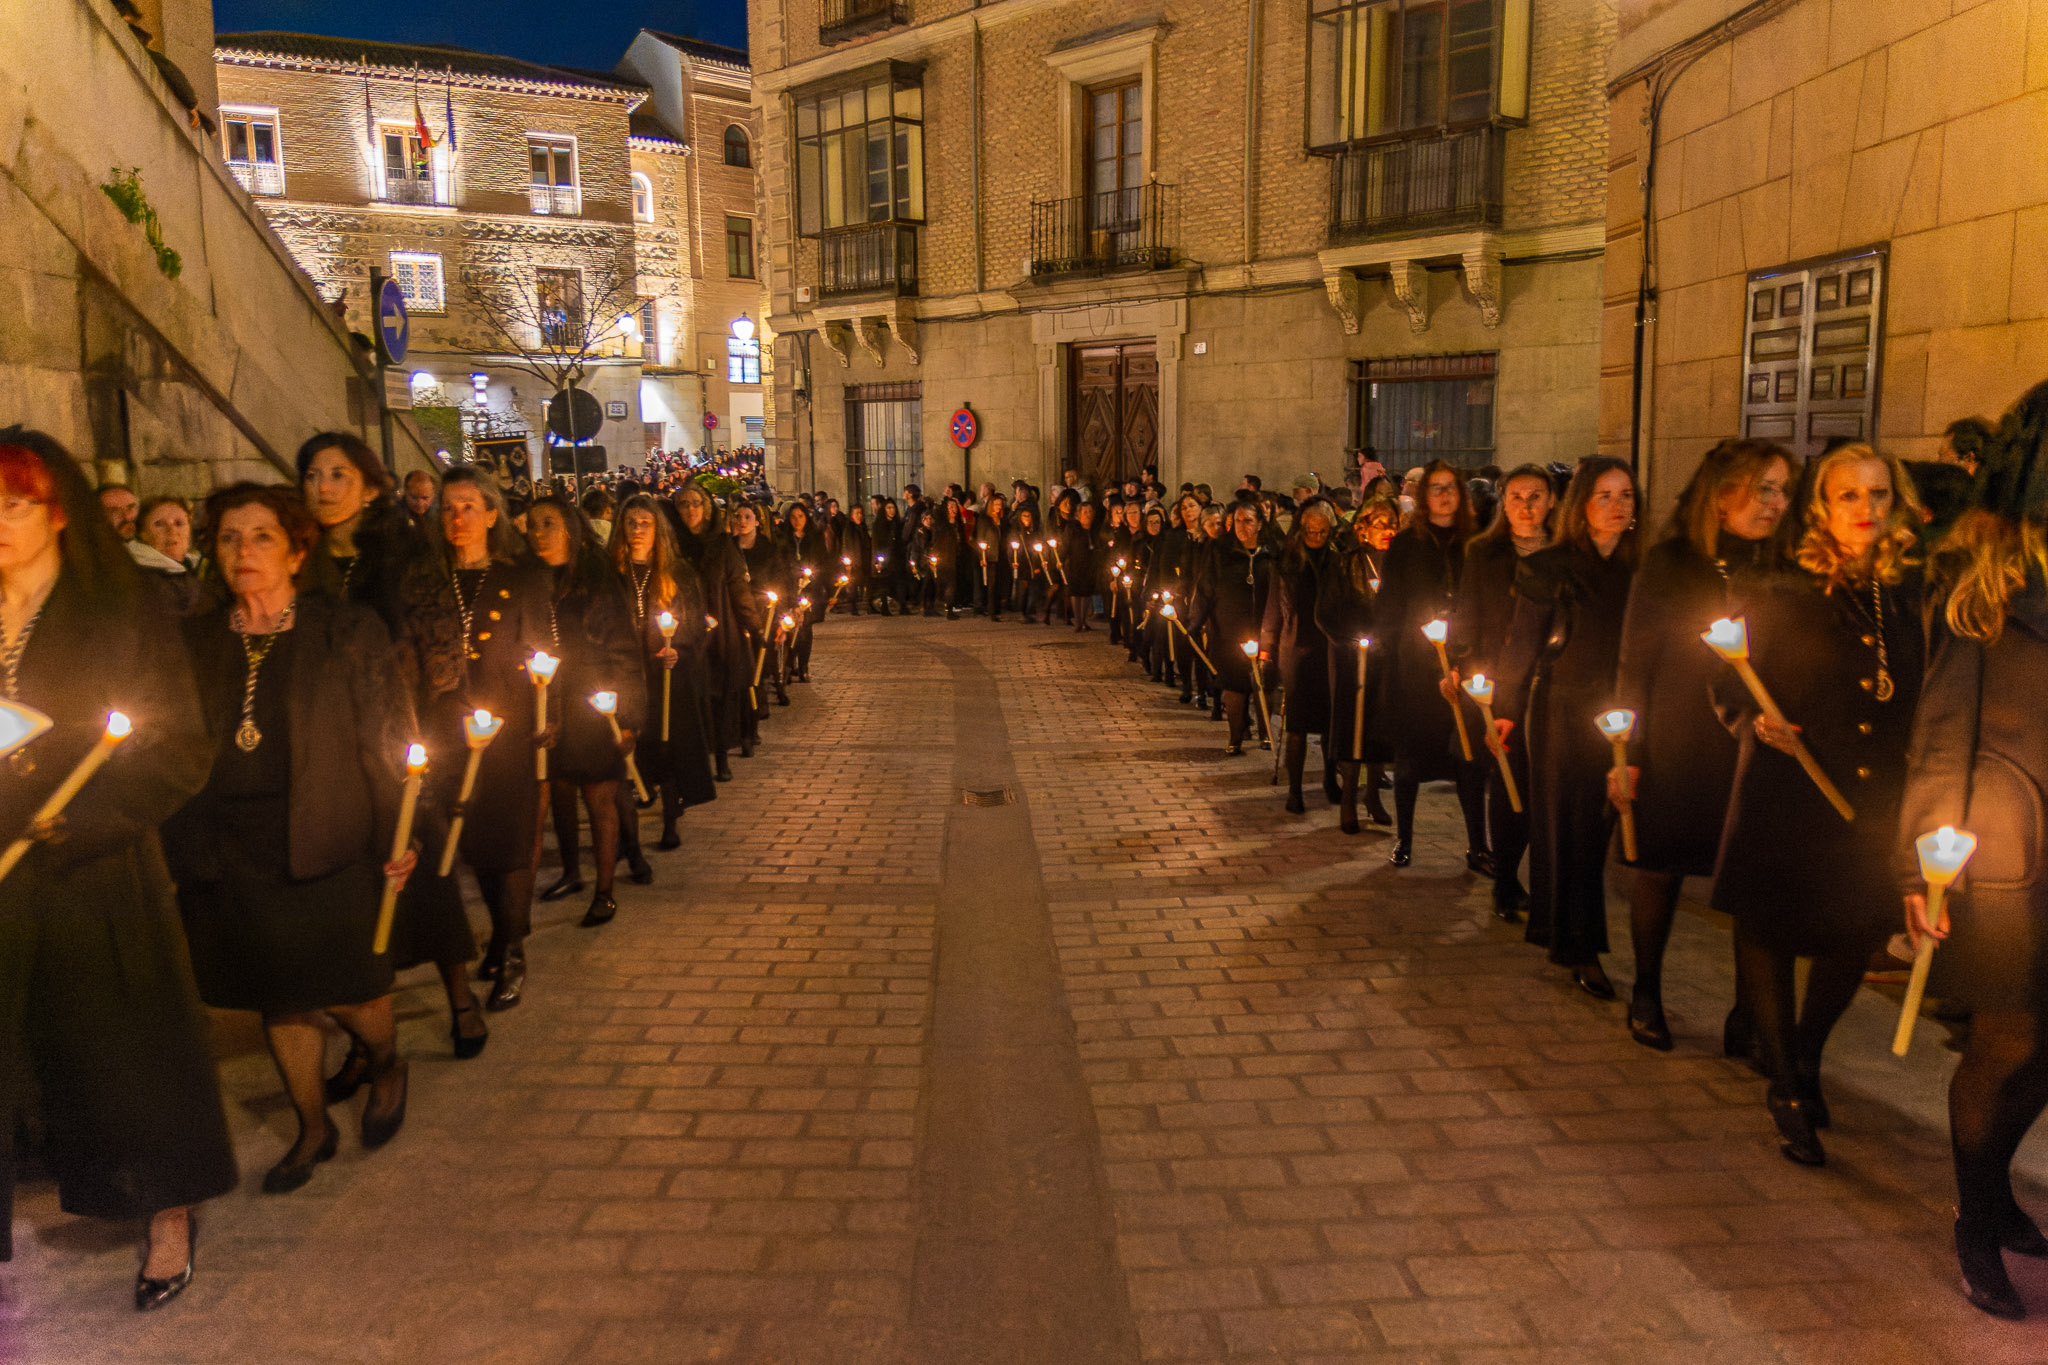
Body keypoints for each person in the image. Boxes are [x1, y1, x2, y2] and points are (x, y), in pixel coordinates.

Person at [0, 428, 233, 1311]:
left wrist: (81, 819)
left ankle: (166, 1207)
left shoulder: (117, 609)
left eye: (14, 503)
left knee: (125, 1049)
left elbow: (178, 743)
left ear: (58, 511)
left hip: (91, 862)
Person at [167, 483, 418, 1195]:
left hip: (325, 838)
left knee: (352, 987)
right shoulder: (199, 639)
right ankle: (312, 1125)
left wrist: (401, 832)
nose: (242, 551)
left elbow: (387, 735)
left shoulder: (344, 628)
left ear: (297, 550)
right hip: (232, 847)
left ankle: (385, 1060)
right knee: (279, 993)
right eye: (227, 538)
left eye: (262, 537)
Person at [1713, 442, 1925, 1167]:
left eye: (1878, 494)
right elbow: (1728, 681)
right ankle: (1785, 1085)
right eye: (1849, 495)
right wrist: (1752, 720)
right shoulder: (1778, 585)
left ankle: (1805, 1053)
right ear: (1822, 508)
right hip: (1787, 791)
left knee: (1853, 935)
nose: (1866, 508)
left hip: (1869, 797)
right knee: (1769, 930)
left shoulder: (1907, 591)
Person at [1899, 382, 2048, 1318]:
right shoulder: (1985, 585)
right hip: (2007, 851)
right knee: (2009, 1038)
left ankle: (1995, 1191)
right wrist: (1923, 869)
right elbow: (1942, 734)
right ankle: (1977, 1216)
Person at [298, 433, 484, 1060]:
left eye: (337, 475)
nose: (323, 488)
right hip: (328, 740)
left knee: (422, 874)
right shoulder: (302, 558)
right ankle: (366, 1036)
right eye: (312, 475)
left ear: (370, 486)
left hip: (399, 733)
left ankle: (460, 996)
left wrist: (432, 727)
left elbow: (440, 645)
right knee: (353, 892)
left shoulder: (404, 552)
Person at [1612, 439, 1790, 1052]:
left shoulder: (1780, 566)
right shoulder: (1671, 563)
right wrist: (1629, 755)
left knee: (1752, 879)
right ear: (1721, 497)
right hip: (1678, 736)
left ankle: (1749, 1015)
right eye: (1764, 489)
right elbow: (1635, 661)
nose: (1776, 503)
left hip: (1751, 741)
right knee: (1661, 867)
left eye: (1783, 490)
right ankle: (1646, 991)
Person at [1493, 458, 1640, 1001]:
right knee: (1568, 828)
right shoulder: (1549, 566)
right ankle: (1578, 946)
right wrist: (1504, 708)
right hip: (1561, 709)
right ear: (1581, 504)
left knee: (1599, 830)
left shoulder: (1639, 569)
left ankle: (1567, 931)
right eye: (1604, 495)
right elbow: (1522, 642)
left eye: (1626, 495)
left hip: (1621, 712)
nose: (1617, 506)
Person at [435, 468, 554, 1011]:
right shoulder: (431, 581)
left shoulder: (520, 579)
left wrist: (549, 713)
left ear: (490, 515)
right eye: (447, 508)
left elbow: (543, 651)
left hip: (509, 728)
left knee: (510, 842)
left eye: (467, 507)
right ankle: (503, 934)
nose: (457, 518)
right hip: (450, 729)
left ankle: (512, 948)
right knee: (476, 842)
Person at [528, 497, 641, 926]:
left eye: (549, 524)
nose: (539, 533)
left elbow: (625, 650)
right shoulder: (529, 580)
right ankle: (571, 872)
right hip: (549, 702)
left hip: (593, 699)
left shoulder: (598, 580)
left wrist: (629, 717)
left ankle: (605, 890)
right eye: (533, 525)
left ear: (571, 530)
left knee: (599, 797)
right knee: (557, 792)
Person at [1450, 465, 1556, 920]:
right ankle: (1507, 879)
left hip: (1548, 682)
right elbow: (1467, 613)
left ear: (1552, 501)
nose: (1526, 506)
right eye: (1516, 497)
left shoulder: (1564, 553)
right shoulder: (1484, 553)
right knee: (1508, 779)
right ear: (1503, 502)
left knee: (1536, 787)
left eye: (1536, 496)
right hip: (1496, 683)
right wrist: (1461, 666)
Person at [1375, 460, 1488, 869]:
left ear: (1461, 494)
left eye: (1450, 487)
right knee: (1410, 759)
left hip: (1464, 665)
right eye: (1435, 488)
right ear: (1425, 497)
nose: (1443, 495)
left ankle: (1478, 845)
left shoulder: (1476, 543)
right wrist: (1392, 652)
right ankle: (1404, 838)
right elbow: (1390, 604)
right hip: (1415, 668)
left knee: (1468, 759)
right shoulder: (1406, 544)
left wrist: (1465, 657)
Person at [610, 493, 717, 860]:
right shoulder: (613, 574)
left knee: (667, 745)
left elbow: (694, 622)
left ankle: (671, 819)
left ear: (658, 530)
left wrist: (678, 648)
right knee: (627, 753)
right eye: (631, 523)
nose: (638, 530)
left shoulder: (678, 573)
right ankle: (626, 835)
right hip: (627, 676)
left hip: (668, 675)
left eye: (645, 523)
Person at [672, 481, 757, 773]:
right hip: (683, 632)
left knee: (719, 696)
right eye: (684, 504)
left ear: (707, 509)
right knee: (692, 697)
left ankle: (721, 755)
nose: (690, 510)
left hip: (720, 631)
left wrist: (754, 625)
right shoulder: (673, 545)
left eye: (696, 503)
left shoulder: (722, 545)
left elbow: (739, 589)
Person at [1263, 500, 1340, 812]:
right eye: (1310, 531)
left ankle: (1330, 778)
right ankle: (1294, 789)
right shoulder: (1288, 562)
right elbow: (1273, 608)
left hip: (1330, 647)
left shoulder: (1338, 559)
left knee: (1331, 721)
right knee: (1297, 723)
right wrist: (1266, 648)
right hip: (1296, 649)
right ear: (1300, 529)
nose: (1316, 537)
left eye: (1322, 531)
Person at [1189, 501, 1276, 756]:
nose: (1242, 526)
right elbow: (1205, 587)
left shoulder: (1272, 552)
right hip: (1228, 628)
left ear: (1259, 524)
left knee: (1264, 681)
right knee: (1234, 683)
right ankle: (1235, 736)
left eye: (1248, 521)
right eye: (1237, 521)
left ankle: (1266, 733)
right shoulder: (1220, 550)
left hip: (1264, 627)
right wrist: (1195, 621)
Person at [137, 497, 196, 571]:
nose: (172, 531)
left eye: (178, 523)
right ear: (143, 534)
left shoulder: (198, 565)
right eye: (159, 524)